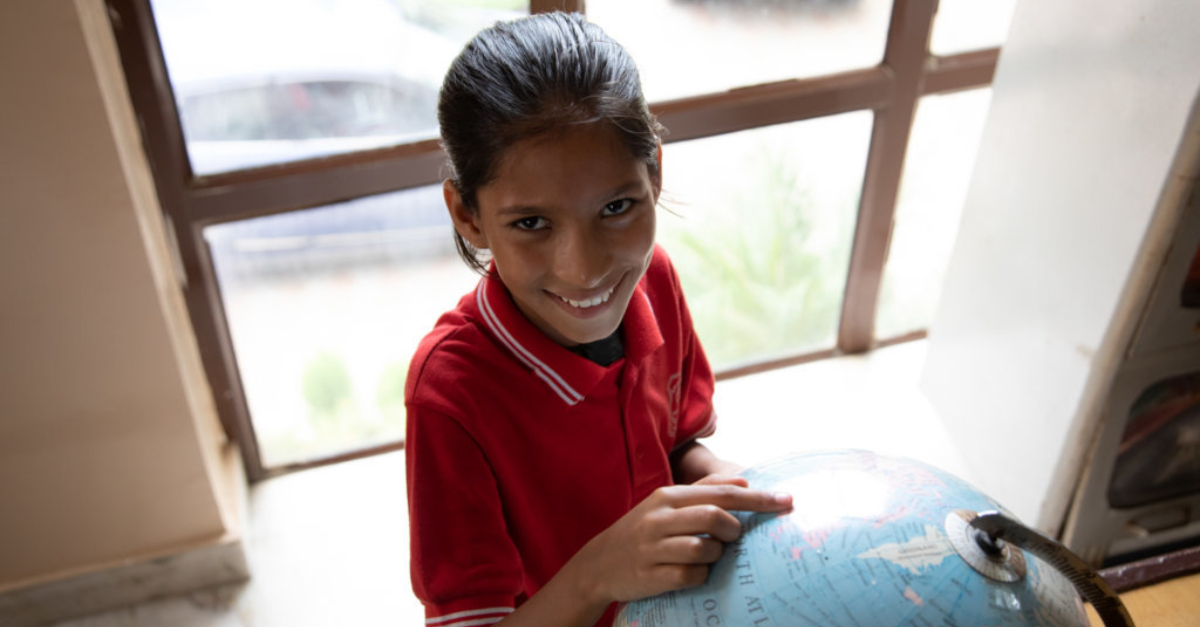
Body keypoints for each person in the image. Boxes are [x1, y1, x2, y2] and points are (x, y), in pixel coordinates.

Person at [404, 12, 793, 627]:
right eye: (531, 223)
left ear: (655, 173)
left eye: (616, 207)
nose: (585, 271)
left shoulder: (653, 277)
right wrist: (597, 572)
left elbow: (678, 444)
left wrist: (723, 484)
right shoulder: (450, 396)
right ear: (468, 215)